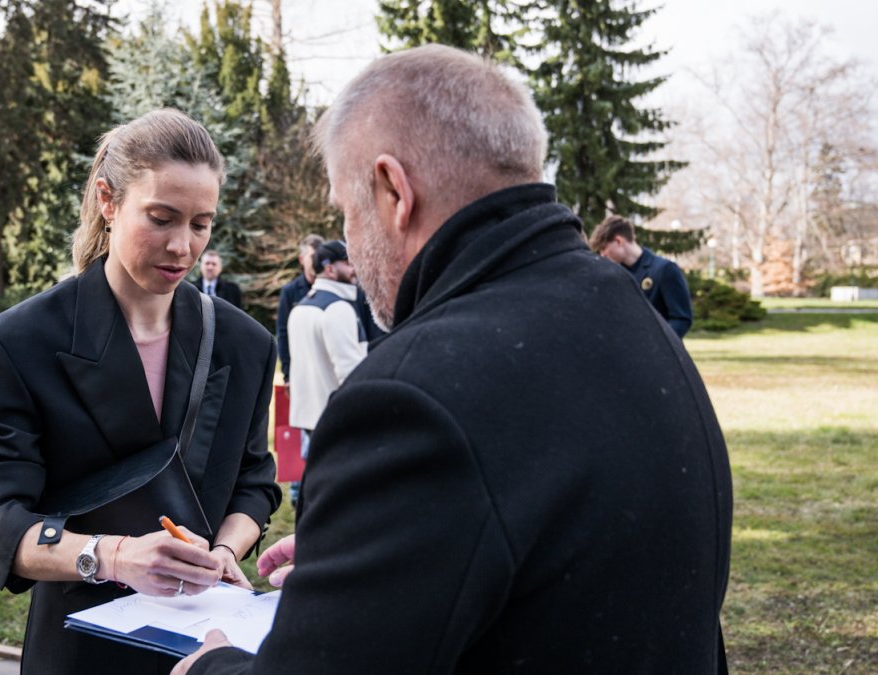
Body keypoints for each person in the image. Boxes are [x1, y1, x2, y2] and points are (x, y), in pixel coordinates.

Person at [175, 44, 732, 674]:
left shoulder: (412, 393)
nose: (352, 246)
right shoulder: (627, 312)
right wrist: (382, 548)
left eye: (347, 210)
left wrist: (210, 667)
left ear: (393, 190)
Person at [0, 109, 281, 675]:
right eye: (161, 218)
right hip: (83, 648)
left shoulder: (245, 343)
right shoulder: (18, 343)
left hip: (211, 645)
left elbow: (254, 482)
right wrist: (115, 556)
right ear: (108, 200)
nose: (182, 246)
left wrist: (225, 553)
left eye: (201, 224)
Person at [286, 240, 367, 512]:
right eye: (349, 262)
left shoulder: (301, 307)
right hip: (336, 417)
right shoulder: (338, 308)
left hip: (309, 417)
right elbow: (352, 374)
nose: (355, 268)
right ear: (330, 269)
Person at [590, 215, 694, 337]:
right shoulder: (616, 275)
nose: (602, 255)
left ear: (619, 241)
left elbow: (681, 319)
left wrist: (656, 342)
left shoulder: (664, 269)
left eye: (603, 248)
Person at [275, 234, 323, 382]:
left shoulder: (334, 288)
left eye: (321, 256)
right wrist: (287, 373)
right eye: (313, 256)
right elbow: (283, 333)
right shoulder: (290, 292)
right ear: (302, 260)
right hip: (301, 369)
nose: (317, 261)